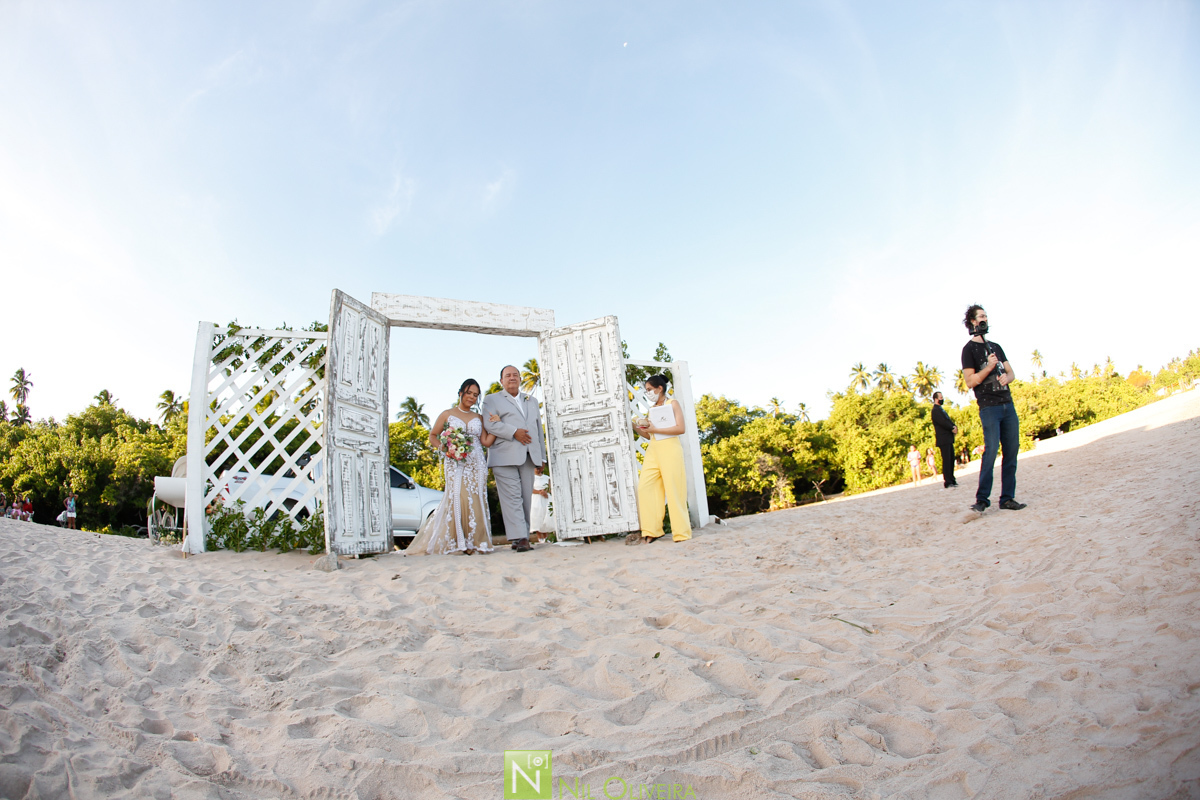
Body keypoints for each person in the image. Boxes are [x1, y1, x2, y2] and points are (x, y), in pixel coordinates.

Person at [405, 380, 497, 556]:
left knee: (477, 498)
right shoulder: (447, 414)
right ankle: (459, 542)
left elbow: (485, 442)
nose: (472, 397)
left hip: (477, 462)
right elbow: (433, 435)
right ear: (461, 392)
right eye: (469, 393)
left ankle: (476, 542)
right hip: (455, 462)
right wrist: (446, 448)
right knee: (459, 497)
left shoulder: (479, 418)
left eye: (476, 395)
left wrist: (495, 426)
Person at [961, 304, 1026, 513]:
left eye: (986, 316)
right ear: (972, 321)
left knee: (1011, 451)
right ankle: (982, 499)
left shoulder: (996, 346)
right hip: (989, 408)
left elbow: (1011, 372)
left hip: (1007, 404)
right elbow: (970, 382)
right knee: (991, 452)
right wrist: (988, 367)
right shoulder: (968, 350)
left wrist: (1008, 377)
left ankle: (1007, 498)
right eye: (980, 316)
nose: (984, 320)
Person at [481, 365, 546, 553]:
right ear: (501, 381)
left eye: (515, 375)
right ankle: (522, 538)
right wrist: (513, 432)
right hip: (504, 455)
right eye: (507, 375)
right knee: (511, 497)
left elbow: (537, 429)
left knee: (526, 497)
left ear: (520, 379)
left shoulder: (531, 400)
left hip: (529, 455)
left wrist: (541, 457)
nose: (512, 378)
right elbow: (490, 424)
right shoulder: (491, 400)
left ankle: (520, 537)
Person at [628, 375, 693, 544]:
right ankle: (652, 530)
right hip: (654, 450)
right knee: (645, 487)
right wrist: (635, 426)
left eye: (650, 389)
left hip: (670, 448)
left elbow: (681, 428)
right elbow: (650, 435)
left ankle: (681, 533)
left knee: (674, 489)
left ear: (660, 388)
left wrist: (655, 428)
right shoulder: (652, 409)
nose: (648, 393)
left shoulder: (673, 404)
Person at [931, 392, 958, 488]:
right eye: (940, 397)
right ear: (936, 399)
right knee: (946, 460)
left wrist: (954, 426)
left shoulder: (941, 410)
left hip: (948, 438)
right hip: (943, 439)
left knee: (951, 459)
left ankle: (952, 478)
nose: (942, 399)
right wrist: (951, 427)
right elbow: (943, 422)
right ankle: (948, 481)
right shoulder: (935, 410)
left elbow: (948, 420)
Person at [529, 466, 554, 544]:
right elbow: (529, 489)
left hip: (545, 498)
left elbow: (550, 488)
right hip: (536, 498)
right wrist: (539, 492)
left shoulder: (546, 478)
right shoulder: (531, 478)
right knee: (537, 516)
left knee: (545, 515)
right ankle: (539, 537)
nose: (537, 469)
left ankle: (547, 536)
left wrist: (545, 491)